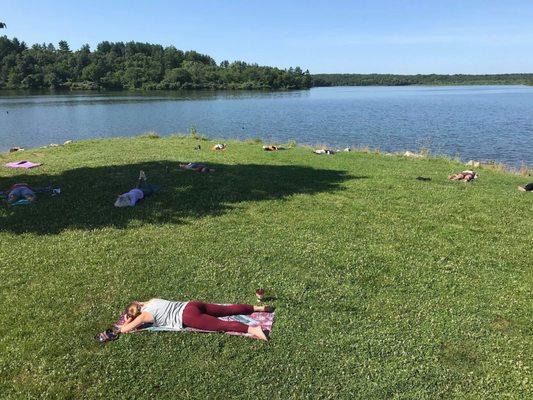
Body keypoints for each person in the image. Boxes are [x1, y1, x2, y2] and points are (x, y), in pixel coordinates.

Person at [118, 298, 273, 340]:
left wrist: (127, 320)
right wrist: (137, 306)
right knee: (226, 309)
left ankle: (254, 329)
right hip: (192, 305)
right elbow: (141, 303)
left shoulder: (144, 316)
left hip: (188, 317)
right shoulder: (152, 301)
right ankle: (258, 308)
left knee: (221, 325)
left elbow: (123, 330)